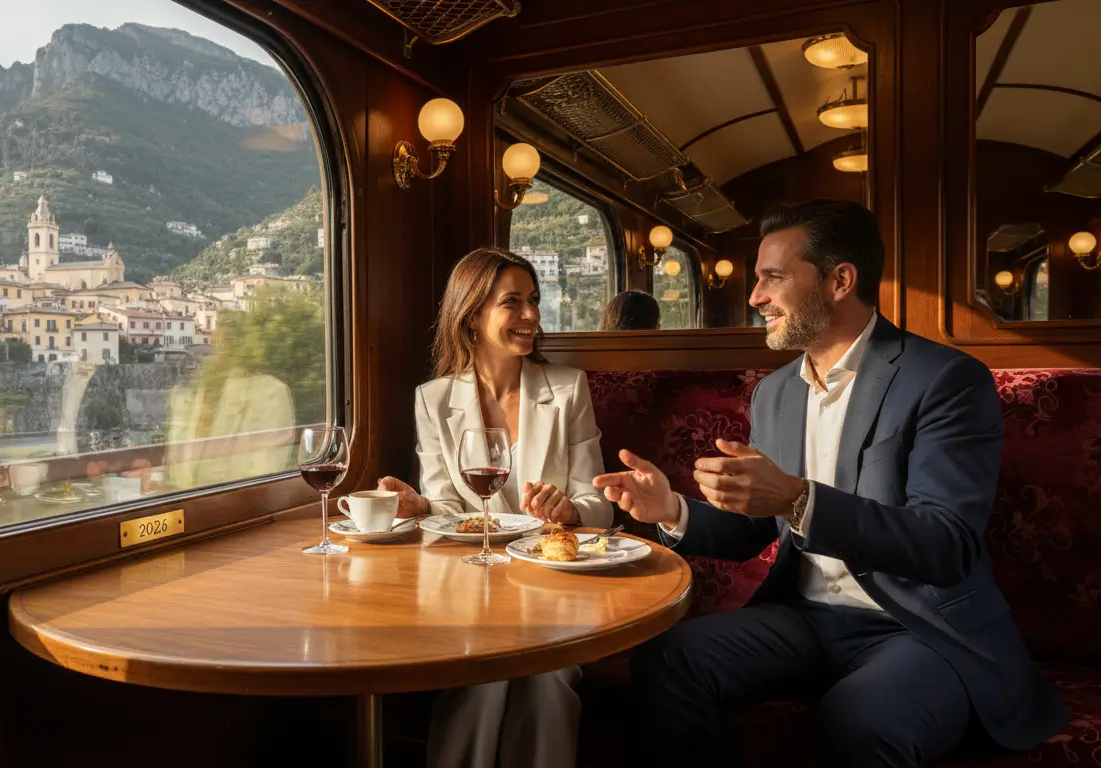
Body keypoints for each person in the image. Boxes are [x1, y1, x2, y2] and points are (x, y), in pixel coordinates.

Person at [594, 199, 1065, 766]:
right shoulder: (777, 391)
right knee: (667, 657)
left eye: (773, 279)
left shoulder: (946, 380)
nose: (755, 298)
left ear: (840, 280)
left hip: (917, 627)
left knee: (859, 720)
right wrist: (671, 510)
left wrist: (797, 497)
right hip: (804, 618)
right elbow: (753, 532)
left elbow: (947, 545)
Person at [377, 246, 612, 768]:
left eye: (533, 300)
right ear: (472, 315)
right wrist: (416, 505)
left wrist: (570, 511)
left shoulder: (569, 388)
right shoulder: (433, 399)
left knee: (549, 678)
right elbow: (444, 505)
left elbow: (600, 504)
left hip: (553, 582)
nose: (531, 316)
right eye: (513, 303)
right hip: (468, 584)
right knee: (482, 676)